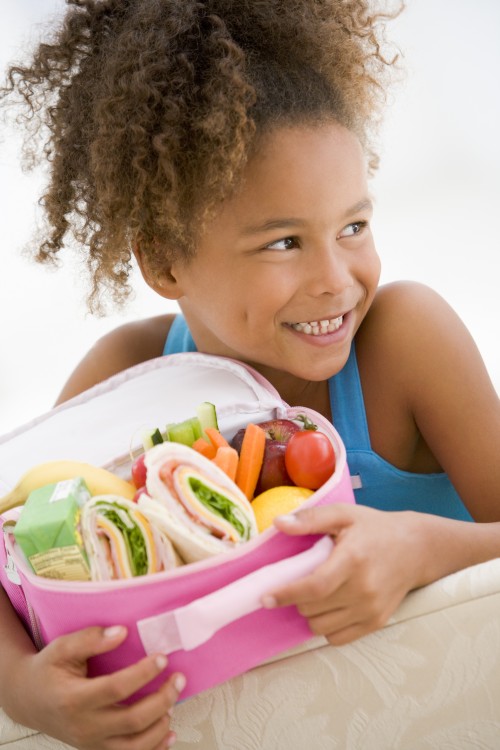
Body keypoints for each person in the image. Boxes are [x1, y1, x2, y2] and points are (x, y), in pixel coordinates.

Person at [1, 0, 500, 748]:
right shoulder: (129, 376)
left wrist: (419, 548)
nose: (337, 278)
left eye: (354, 227)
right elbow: (13, 554)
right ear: (164, 259)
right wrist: (20, 687)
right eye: (283, 243)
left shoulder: (405, 343)